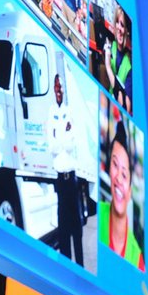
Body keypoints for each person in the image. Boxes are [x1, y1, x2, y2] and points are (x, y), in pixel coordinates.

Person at [42, 74, 84, 266]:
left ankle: (80, 265)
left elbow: (70, 144)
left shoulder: (70, 111)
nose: (59, 91)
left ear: (64, 91)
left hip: (72, 177)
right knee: (64, 227)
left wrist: (60, 136)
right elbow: (53, 147)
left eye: (61, 88)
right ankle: (67, 266)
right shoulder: (50, 113)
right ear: (53, 89)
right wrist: (62, 135)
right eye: (56, 87)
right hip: (60, 178)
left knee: (77, 226)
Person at [98, 120, 144, 271]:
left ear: (130, 189)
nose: (118, 177)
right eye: (115, 165)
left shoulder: (138, 258)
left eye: (124, 175)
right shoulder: (94, 216)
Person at [104, 6, 132, 113]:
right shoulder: (110, 46)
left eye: (123, 25)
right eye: (117, 23)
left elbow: (126, 108)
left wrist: (107, 66)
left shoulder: (130, 65)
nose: (119, 29)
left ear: (127, 31)